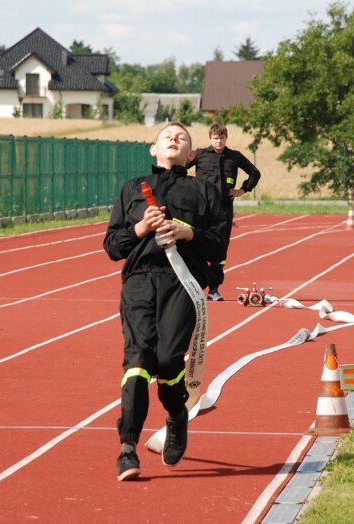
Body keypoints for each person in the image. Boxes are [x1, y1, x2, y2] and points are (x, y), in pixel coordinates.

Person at [104, 122, 225, 480]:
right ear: (153, 149)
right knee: (139, 359)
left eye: (182, 137)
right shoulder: (132, 190)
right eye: (166, 136)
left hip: (182, 284)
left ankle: (176, 416)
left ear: (191, 155)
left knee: (170, 360)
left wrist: (188, 232)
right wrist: (139, 228)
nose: (174, 139)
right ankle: (128, 447)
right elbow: (112, 246)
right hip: (139, 282)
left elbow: (218, 246)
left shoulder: (204, 192)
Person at [187, 123, 261, 301]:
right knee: (195, 246)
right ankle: (194, 287)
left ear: (225, 138)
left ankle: (214, 289)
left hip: (223, 211)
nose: (218, 141)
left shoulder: (234, 157)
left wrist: (242, 190)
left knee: (219, 250)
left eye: (221, 138)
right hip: (201, 210)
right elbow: (180, 169)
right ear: (210, 138)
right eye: (215, 138)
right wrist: (189, 188)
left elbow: (255, 173)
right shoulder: (200, 155)